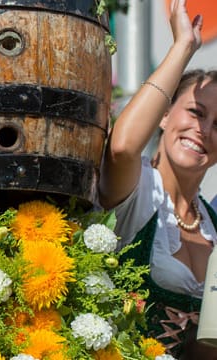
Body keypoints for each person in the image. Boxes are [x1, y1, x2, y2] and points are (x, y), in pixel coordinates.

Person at [99, 0, 217, 358]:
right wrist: (183, 46)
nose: (204, 130)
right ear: (164, 115)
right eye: (196, 112)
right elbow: (121, 147)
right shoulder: (140, 191)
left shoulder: (213, 228)